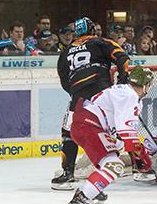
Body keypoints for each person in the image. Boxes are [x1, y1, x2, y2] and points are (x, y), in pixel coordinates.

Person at [52, 17, 130, 190]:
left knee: (68, 132)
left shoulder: (65, 52)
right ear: (93, 30)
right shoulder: (100, 42)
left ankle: (67, 173)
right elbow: (122, 57)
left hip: (78, 97)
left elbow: (64, 80)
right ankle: (130, 165)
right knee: (116, 128)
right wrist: (123, 78)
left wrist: (76, 91)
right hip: (102, 92)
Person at [65, 66, 153, 204]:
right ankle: (82, 198)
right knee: (114, 165)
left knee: (115, 150)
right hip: (89, 126)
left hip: (85, 125)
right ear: (146, 85)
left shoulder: (123, 91)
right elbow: (128, 135)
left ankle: (94, 187)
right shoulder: (130, 96)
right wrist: (143, 159)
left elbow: (121, 136)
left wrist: (136, 154)